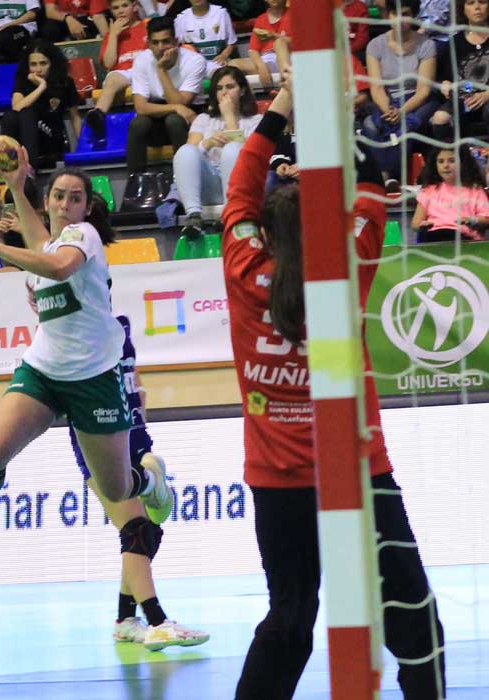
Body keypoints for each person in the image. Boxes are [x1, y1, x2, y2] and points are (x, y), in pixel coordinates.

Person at [223, 69, 447, 700]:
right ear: (324, 227)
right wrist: (341, 115)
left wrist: (285, 105)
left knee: (290, 619)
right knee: (415, 621)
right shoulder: (347, 268)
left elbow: (241, 183)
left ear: (265, 232)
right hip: (359, 473)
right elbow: (373, 186)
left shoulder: (244, 265)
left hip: (278, 483)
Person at [0, 150, 173, 562]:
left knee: (116, 488)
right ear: (48, 201)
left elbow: (59, 267)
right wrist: (14, 185)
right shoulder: (48, 243)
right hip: (43, 370)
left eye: (74, 197)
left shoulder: (85, 237)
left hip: (93, 377)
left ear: (86, 206)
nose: (65, 204)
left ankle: (153, 483)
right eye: (58, 196)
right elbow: (40, 243)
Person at [68, 315, 210, 650]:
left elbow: (133, 375)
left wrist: (140, 421)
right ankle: (158, 622)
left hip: (133, 436)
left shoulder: (118, 326)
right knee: (135, 528)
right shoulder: (70, 340)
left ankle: (126, 620)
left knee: (147, 531)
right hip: (98, 441)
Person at [172, 65, 260, 237]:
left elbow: (249, 155)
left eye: (230, 87)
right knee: (185, 151)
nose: (224, 93)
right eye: (219, 88)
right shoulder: (203, 120)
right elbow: (190, 152)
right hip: (210, 183)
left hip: (243, 185)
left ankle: (230, 213)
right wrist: (208, 143)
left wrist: (229, 117)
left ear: (242, 90)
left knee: (233, 149)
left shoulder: (256, 121)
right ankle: (193, 216)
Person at [363, 0, 437, 189]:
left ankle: (391, 175)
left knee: (407, 126)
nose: (400, 19)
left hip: (417, 100)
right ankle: (385, 177)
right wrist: (388, 109)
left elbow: (424, 91)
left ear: (412, 16)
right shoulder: (375, 45)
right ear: (388, 15)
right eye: (395, 14)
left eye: (405, 13)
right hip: (388, 101)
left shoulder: (427, 45)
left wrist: (401, 111)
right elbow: (377, 88)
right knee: (370, 124)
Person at [127, 15, 206, 175]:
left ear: (176, 41)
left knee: (174, 120)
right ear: (148, 43)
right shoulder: (142, 60)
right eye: (155, 43)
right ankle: (135, 183)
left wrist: (161, 70)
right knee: (138, 124)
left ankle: (185, 178)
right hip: (160, 120)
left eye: (166, 41)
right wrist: (176, 107)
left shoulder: (194, 61)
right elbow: (141, 107)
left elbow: (182, 103)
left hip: (189, 120)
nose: (161, 47)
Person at [4, 40, 83, 168]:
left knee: (27, 113)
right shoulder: (23, 80)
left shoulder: (65, 82)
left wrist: (82, 146)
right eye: (33, 64)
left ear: (52, 63)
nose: (38, 69)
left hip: (52, 137)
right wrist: (41, 87)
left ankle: (29, 169)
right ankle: (7, 166)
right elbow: (16, 109)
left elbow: (75, 117)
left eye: (43, 63)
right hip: (26, 136)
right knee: (12, 116)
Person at [85, 0, 148, 136]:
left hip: (146, 70)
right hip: (123, 74)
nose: (121, 11)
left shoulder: (147, 26)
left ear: (134, 6)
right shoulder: (110, 35)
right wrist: (113, 35)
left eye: (125, 6)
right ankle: (98, 115)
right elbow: (108, 63)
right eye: (116, 8)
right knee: (112, 78)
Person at [430, 0, 489, 143]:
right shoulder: (454, 43)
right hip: (463, 99)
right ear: (463, 9)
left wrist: (487, 94)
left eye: (482, 2)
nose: (477, 7)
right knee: (440, 118)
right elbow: (438, 78)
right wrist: (444, 84)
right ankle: (453, 160)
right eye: (470, 3)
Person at [411, 145, 489, 242]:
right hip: (433, 236)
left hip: (464, 239)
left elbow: (486, 219)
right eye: (441, 161)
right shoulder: (428, 191)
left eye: (452, 161)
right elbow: (415, 223)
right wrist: (422, 226)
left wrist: (473, 220)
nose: (446, 166)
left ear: (463, 163)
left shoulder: (476, 190)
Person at [229, 0, 291, 88]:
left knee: (279, 43)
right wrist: (261, 66)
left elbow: (300, 42)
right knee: (233, 64)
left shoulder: (294, 15)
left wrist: (274, 37)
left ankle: (285, 88)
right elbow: (253, 50)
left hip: (288, 57)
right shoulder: (260, 19)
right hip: (266, 61)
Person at [173, 0, 235, 74]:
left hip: (219, 64)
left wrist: (224, 55)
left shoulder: (221, 13)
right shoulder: (181, 19)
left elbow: (232, 42)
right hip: (195, 66)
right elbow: (179, 47)